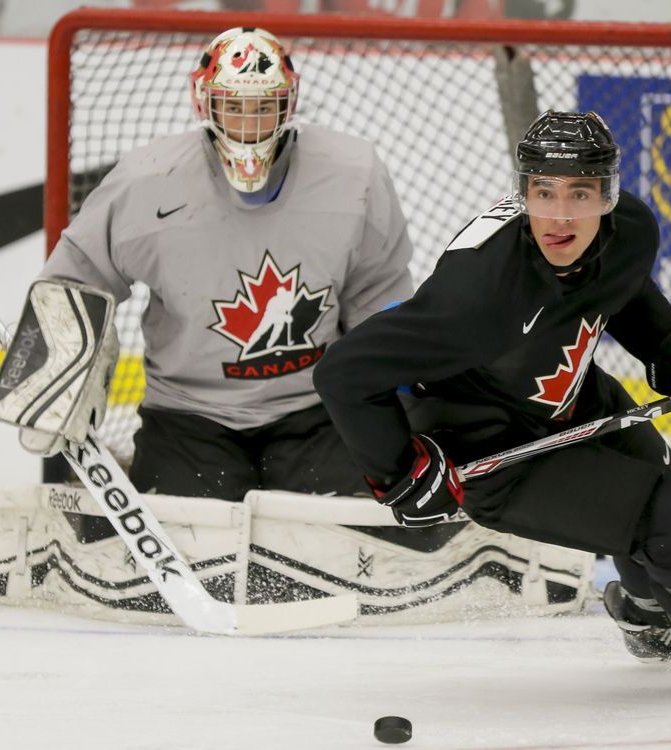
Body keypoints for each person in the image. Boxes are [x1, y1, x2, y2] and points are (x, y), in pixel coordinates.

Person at [313, 110, 671, 688]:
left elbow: (620, 288)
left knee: (657, 470)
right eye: (544, 192)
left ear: (608, 194)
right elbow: (344, 372)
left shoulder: (629, 228)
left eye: (580, 192)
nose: (559, 215)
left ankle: (647, 617)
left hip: (571, 396)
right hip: (491, 444)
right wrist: (399, 471)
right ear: (523, 191)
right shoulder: (477, 295)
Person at [24, 26, 414, 500]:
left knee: (343, 539)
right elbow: (78, 277)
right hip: (187, 415)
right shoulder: (148, 182)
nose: (249, 124)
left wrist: (400, 395)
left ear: (289, 103)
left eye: (263, 106)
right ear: (203, 102)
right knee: (189, 541)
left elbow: (379, 292)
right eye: (233, 106)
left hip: (317, 409)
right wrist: (61, 367)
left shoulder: (355, 176)